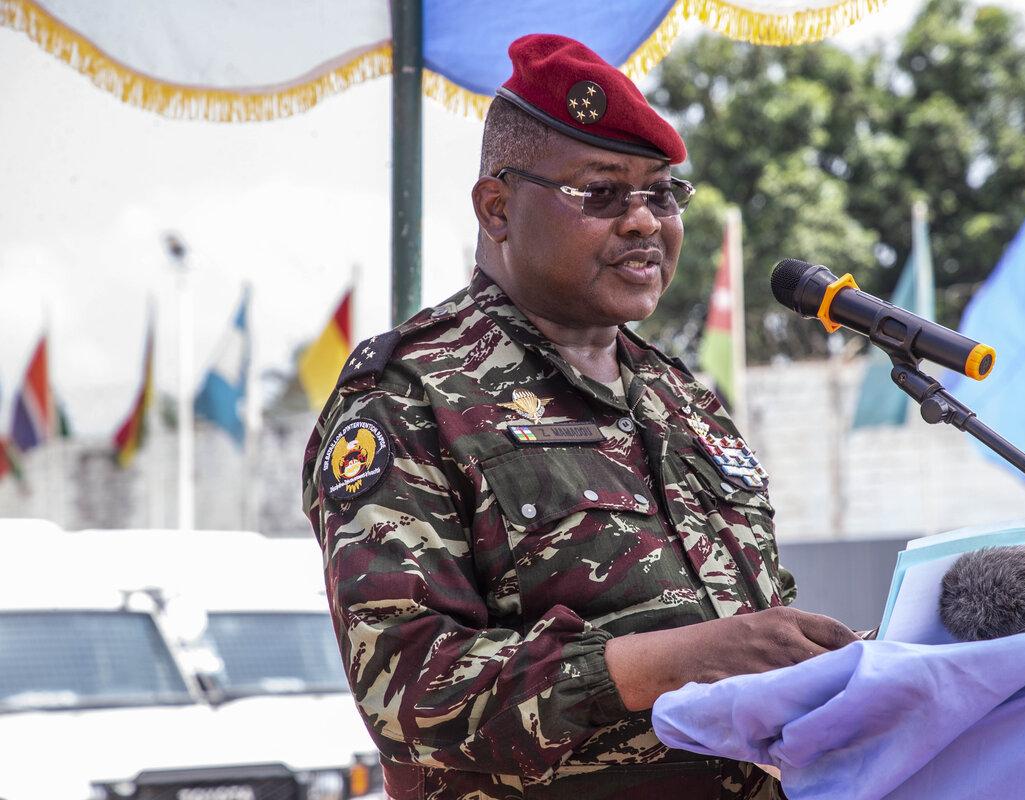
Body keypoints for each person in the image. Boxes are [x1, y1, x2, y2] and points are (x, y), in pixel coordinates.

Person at [302, 33, 856, 800]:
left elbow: (756, 618)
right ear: (497, 208)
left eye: (662, 193)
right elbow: (408, 691)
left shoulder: (679, 396)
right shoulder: (409, 395)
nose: (644, 222)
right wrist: (673, 662)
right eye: (601, 194)